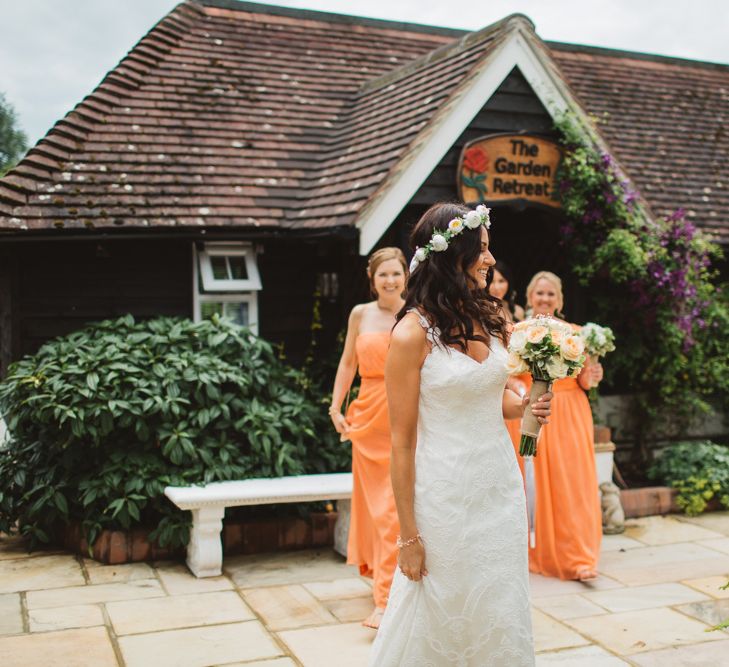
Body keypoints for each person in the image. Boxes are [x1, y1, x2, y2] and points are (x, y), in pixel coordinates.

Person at [370, 203, 552, 666]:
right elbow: (402, 443)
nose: (491, 261)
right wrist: (407, 536)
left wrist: (529, 405)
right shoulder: (412, 335)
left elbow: (498, 403)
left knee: (498, 603)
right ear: (453, 256)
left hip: (498, 489)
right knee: (441, 605)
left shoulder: (489, 320)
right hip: (444, 495)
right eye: (483, 250)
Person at [329, 247, 407, 629]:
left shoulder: (417, 314)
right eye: (383, 275)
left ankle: (386, 598)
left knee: (394, 508)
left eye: (396, 274)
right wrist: (335, 406)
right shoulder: (360, 314)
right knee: (376, 509)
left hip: (404, 414)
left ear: (406, 275)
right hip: (366, 417)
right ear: (372, 278)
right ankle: (382, 579)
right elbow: (348, 363)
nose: (390, 281)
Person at [523, 270, 604, 581]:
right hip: (532, 411)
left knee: (572, 484)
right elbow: (509, 375)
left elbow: (585, 379)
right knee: (535, 484)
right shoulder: (516, 332)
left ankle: (578, 556)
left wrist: (593, 374)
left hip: (569, 412)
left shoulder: (577, 333)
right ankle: (535, 549)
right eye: (540, 293)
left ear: (560, 299)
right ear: (530, 296)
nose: (544, 299)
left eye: (550, 294)